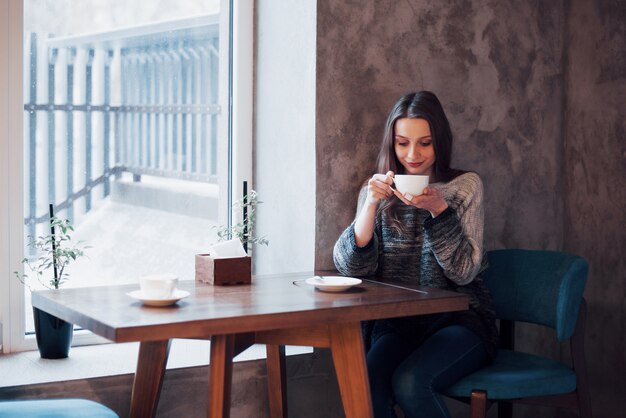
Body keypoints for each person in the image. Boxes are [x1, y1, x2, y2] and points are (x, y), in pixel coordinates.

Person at [333, 91, 498, 418]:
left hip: (460, 322)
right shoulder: (377, 191)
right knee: (364, 387)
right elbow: (351, 267)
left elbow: (464, 272)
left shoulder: (465, 187)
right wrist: (370, 203)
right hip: (398, 325)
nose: (413, 154)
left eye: (425, 142)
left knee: (410, 383)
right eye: (402, 142)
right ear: (391, 144)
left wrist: (440, 212)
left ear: (440, 141)